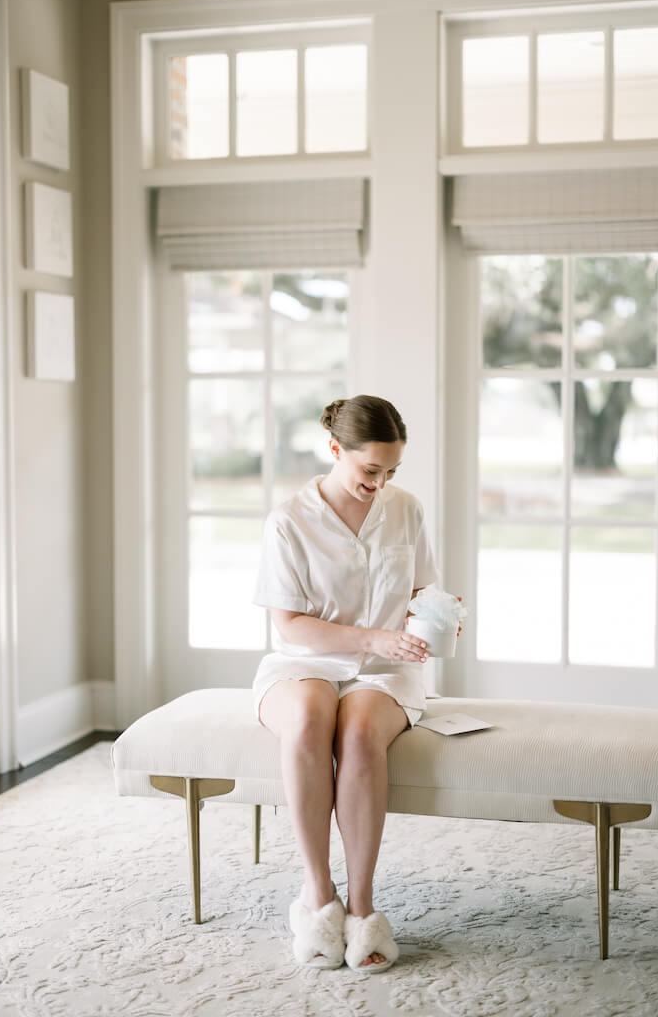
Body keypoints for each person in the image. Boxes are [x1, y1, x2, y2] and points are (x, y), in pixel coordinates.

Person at [251, 394, 460, 973]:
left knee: (363, 731)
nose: (381, 482)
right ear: (335, 449)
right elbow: (289, 623)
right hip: (305, 661)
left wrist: (437, 613)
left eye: (391, 471)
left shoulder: (406, 509)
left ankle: (363, 908)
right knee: (311, 720)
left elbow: (420, 591)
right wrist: (370, 638)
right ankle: (318, 898)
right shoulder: (289, 521)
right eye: (371, 470)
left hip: (385, 669)